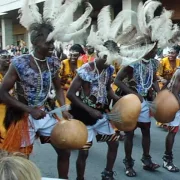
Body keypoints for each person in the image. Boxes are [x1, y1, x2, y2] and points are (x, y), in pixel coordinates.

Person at [0, 0, 91, 179]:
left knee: (64, 150)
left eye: (53, 42)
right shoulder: (20, 62)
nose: (51, 46)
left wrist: (64, 109)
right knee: (20, 160)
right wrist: (29, 110)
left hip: (46, 114)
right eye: (48, 43)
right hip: (22, 116)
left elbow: (58, 88)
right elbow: (2, 93)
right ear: (35, 41)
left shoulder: (53, 62)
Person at [67, 41, 121, 180]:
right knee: (84, 152)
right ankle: (80, 178)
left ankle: (108, 173)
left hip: (101, 113)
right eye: (106, 56)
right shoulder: (86, 69)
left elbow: (107, 87)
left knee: (114, 143)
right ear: (98, 53)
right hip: (84, 116)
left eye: (111, 57)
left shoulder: (109, 69)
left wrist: (116, 98)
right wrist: (89, 110)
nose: (108, 60)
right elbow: (70, 94)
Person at [114, 44, 161, 177]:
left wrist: (160, 93)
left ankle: (146, 159)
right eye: (153, 49)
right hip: (130, 102)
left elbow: (153, 79)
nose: (156, 51)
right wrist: (134, 94)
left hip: (145, 101)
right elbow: (117, 80)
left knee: (146, 130)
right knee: (129, 133)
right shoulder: (133, 63)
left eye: (156, 48)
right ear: (146, 48)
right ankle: (128, 164)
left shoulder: (154, 63)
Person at [156, 46, 180, 129]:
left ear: (177, 54)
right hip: (163, 85)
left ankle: (168, 120)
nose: (170, 55)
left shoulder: (179, 61)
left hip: (173, 85)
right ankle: (161, 121)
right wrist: (162, 79)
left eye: (172, 53)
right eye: (169, 53)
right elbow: (157, 74)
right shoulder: (163, 61)